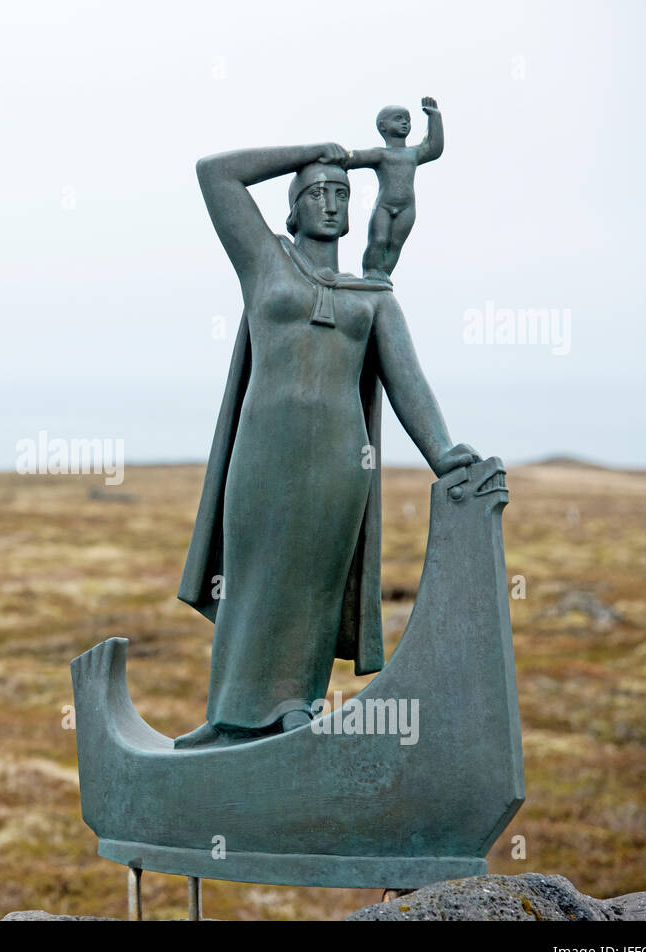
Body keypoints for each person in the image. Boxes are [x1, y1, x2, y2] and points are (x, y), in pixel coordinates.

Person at [173, 141, 477, 750]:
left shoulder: (372, 294)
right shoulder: (265, 262)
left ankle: (295, 704)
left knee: (313, 580)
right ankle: (229, 712)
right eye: (317, 192)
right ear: (293, 207)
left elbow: (407, 383)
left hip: (341, 460)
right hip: (261, 451)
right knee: (251, 574)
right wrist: (311, 151)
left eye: (342, 193)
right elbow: (215, 174)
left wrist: (443, 455)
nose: (332, 203)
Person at [344, 97, 443, 278]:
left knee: (396, 243)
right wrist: (333, 156)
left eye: (407, 119)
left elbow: (434, 148)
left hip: (407, 207)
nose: (405, 122)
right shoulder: (380, 154)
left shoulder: (413, 153)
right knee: (379, 240)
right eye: (398, 119)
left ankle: (384, 276)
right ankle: (370, 275)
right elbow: (351, 158)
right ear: (383, 126)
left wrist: (434, 117)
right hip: (384, 205)